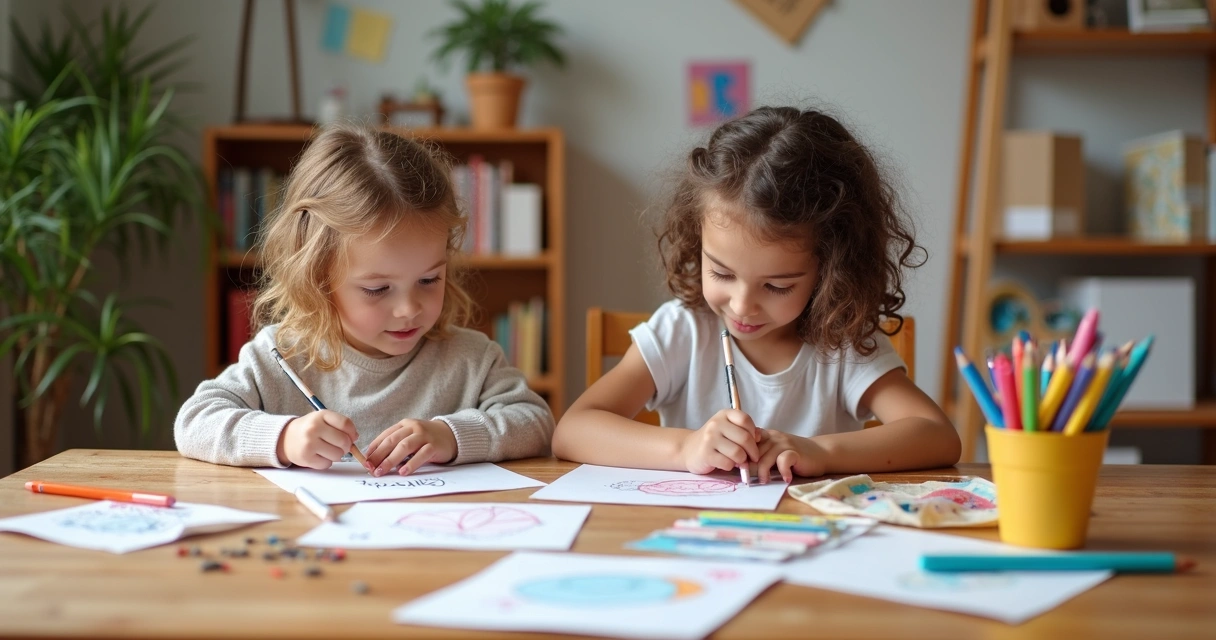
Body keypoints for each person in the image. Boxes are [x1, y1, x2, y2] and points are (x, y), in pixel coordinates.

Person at [553, 106, 959, 484]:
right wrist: (686, 447)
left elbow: (937, 436)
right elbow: (573, 431)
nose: (743, 305)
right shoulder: (683, 331)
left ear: (832, 271)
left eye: (778, 285)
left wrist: (819, 450)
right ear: (698, 242)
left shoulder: (842, 343)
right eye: (722, 272)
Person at [175, 124, 553, 476]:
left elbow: (535, 422)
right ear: (318, 278)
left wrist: (451, 436)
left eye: (428, 279)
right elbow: (194, 422)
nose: (409, 309)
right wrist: (284, 438)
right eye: (377, 289)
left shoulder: (470, 359)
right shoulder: (281, 356)